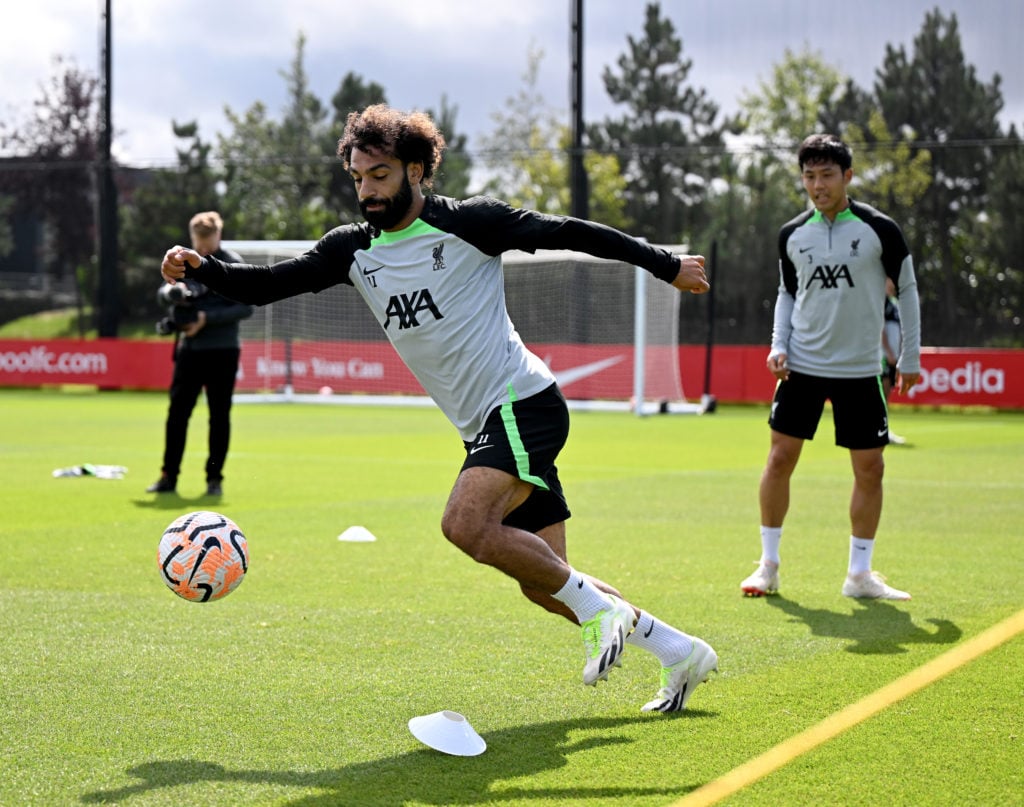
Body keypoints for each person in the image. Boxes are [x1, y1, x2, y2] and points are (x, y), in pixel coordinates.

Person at [161, 104, 717, 712]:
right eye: (358, 177)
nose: (367, 189)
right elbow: (267, 285)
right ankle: (678, 650)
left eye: (379, 175)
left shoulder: (471, 223)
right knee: (546, 583)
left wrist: (665, 266)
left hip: (521, 401)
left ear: (417, 170)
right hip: (485, 423)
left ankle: (601, 610)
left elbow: (569, 231)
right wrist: (204, 269)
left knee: (464, 525)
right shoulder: (351, 249)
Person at [740, 133, 921, 601]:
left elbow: (908, 289)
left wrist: (910, 356)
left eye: (826, 175)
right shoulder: (792, 234)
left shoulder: (879, 229)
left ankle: (859, 575)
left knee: (871, 469)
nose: (817, 185)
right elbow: (786, 293)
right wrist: (777, 344)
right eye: (809, 176)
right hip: (801, 365)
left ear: (848, 177)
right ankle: (768, 566)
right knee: (779, 459)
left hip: (860, 370)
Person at [147, 211, 254, 497]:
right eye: (199, 241)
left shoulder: (232, 262)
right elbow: (163, 293)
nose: (203, 248)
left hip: (223, 350)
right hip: (189, 351)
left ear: (218, 235)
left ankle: (214, 478)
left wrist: (206, 318)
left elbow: (246, 306)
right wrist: (173, 292)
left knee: (219, 417)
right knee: (177, 415)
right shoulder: (185, 261)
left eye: (207, 241)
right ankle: (168, 476)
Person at [882, 277, 908, 445]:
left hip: (893, 357)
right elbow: (879, 328)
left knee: (886, 393)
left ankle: (882, 429)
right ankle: (881, 431)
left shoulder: (894, 302)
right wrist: (889, 353)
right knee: (881, 394)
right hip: (882, 357)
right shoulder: (879, 300)